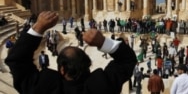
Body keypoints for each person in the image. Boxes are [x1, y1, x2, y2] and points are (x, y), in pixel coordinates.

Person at [5, 11, 137, 94]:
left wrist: (38, 27)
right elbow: (127, 60)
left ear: (62, 70)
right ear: (88, 65)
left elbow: (16, 61)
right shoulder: (102, 86)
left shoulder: (43, 87)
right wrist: (103, 42)